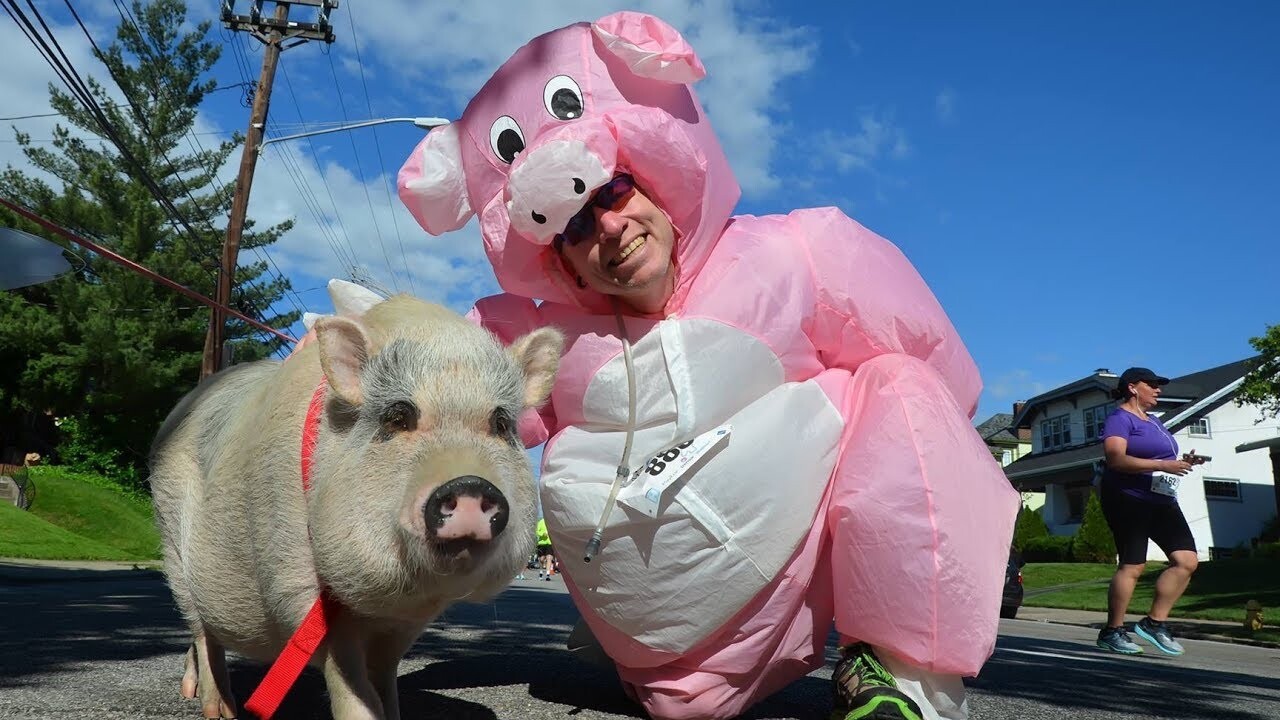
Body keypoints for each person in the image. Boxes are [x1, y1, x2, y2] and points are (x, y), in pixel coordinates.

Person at [395, 12, 1018, 720]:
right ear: (559, 261)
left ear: (653, 178)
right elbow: (433, 383)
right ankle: (633, 650)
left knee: (897, 385)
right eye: (574, 227)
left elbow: (937, 381)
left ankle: (900, 678)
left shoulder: (793, 256)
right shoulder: (546, 336)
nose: (609, 227)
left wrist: (931, 480)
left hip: (785, 580)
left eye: (612, 190)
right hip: (669, 664)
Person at [1095, 367, 1206, 656]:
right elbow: (1116, 459)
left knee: (1187, 561)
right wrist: (1162, 465)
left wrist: (1183, 461)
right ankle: (1113, 631)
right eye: (1152, 384)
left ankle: (1154, 623)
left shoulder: (1154, 421)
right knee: (1133, 565)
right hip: (1128, 498)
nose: (1158, 390)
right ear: (1133, 388)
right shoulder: (1120, 419)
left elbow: (1160, 457)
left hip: (1161, 499)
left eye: (1159, 385)